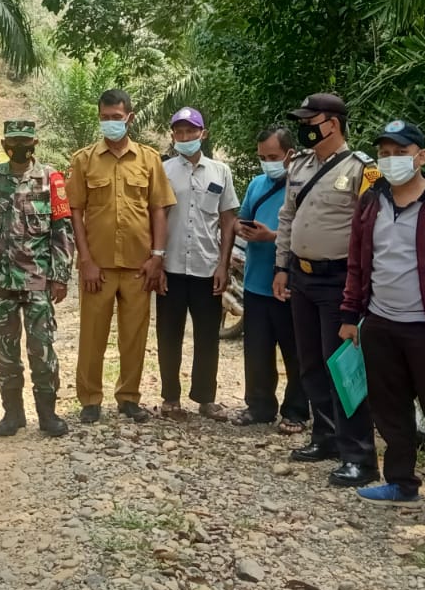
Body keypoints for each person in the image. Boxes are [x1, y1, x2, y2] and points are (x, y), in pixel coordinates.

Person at [338, 120, 425, 530]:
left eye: (401, 152)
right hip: (380, 322)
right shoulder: (371, 202)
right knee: (390, 410)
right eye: (385, 152)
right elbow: (358, 262)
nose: (392, 160)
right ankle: (400, 482)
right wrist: (350, 315)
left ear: (422, 156)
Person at [272, 92, 379, 486]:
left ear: (331, 124)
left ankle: (360, 456)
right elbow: (288, 218)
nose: (304, 128)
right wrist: (281, 266)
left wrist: (360, 287)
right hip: (301, 277)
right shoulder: (300, 165)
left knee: (343, 367)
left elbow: (370, 232)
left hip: (339, 280)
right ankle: (326, 437)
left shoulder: (362, 169)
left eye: (310, 121)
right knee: (311, 361)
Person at [66, 88, 177, 423]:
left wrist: (157, 257)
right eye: (104, 117)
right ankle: (90, 400)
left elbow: (158, 209)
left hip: (138, 266)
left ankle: (129, 398)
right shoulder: (83, 160)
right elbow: (76, 212)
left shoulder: (149, 159)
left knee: (134, 336)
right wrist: (85, 260)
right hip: (97, 265)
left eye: (116, 117)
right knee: (92, 335)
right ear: (98, 118)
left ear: (129, 117)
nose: (110, 123)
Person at [0, 119, 74, 437]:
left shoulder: (50, 179)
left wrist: (61, 275)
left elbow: (61, 230)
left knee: (42, 349)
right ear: (4, 145)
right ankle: (13, 414)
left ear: (35, 143)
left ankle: (48, 415)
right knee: (5, 352)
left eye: (26, 141)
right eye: (14, 142)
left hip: (36, 280)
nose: (20, 147)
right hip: (0, 282)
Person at [155, 108, 239, 420]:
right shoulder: (163, 171)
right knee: (168, 334)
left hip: (207, 269)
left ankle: (205, 397)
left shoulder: (220, 172)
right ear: (173, 135)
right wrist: (157, 261)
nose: (185, 137)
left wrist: (223, 264)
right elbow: (157, 217)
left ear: (202, 133)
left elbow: (228, 218)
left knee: (207, 335)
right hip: (171, 269)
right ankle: (170, 397)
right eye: (179, 132)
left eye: (191, 131)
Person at [231, 127, 310, 432]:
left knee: (296, 352)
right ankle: (259, 406)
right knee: (258, 352)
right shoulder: (257, 184)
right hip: (255, 283)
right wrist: (243, 229)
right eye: (262, 157)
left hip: (292, 285)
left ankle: (297, 411)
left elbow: (309, 232)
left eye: (273, 157)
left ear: (290, 154)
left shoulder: (304, 187)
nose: (268, 163)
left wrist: (272, 236)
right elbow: (241, 217)